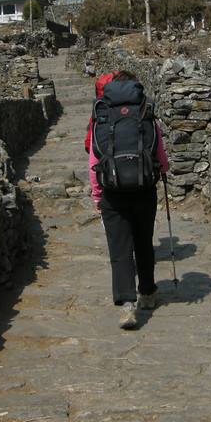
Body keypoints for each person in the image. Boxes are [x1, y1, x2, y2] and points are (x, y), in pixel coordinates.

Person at [88, 71, 168, 329]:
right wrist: (158, 171)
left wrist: (97, 196)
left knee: (120, 248)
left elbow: (94, 159)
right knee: (143, 242)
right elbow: (161, 158)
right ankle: (147, 293)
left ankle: (126, 306)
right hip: (144, 189)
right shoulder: (146, 113)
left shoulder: (102, 115)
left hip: (113, 190)